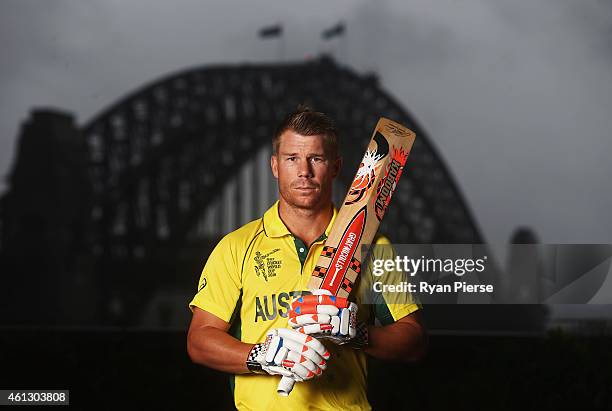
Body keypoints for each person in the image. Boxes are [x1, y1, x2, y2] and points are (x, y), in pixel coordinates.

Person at [187, 107, 427, 410]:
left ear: (336, 166)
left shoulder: (374, 247)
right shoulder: (237, 246)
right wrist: (261, 356)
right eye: (292, 159)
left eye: (316, 158)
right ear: (275, 166)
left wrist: (357, 333)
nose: (304, 171)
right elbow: (199, 342)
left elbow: (414, 341)